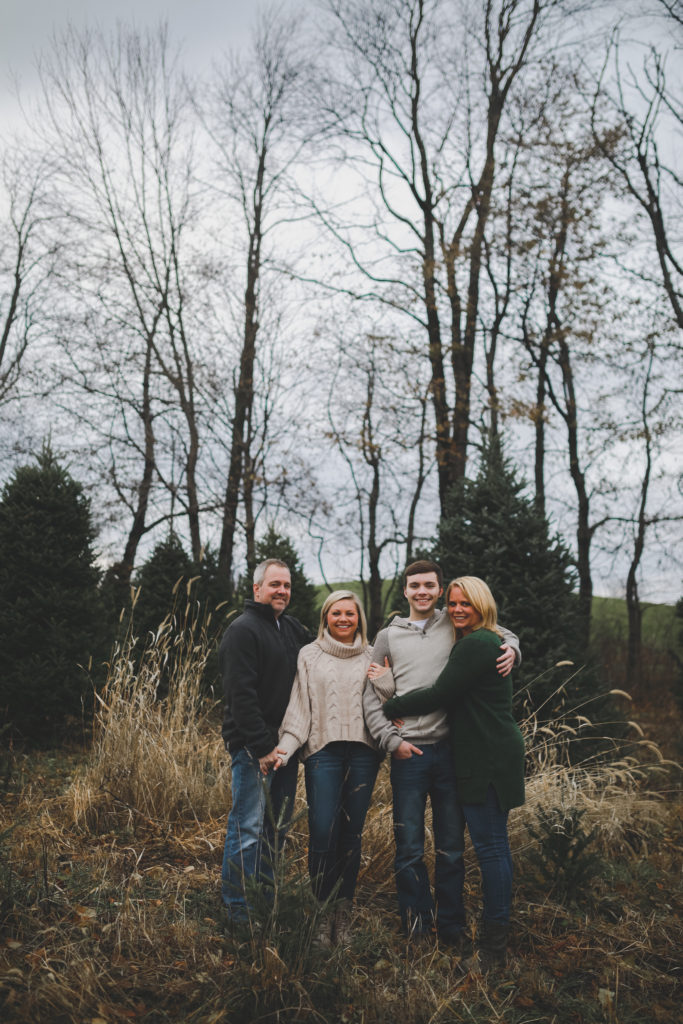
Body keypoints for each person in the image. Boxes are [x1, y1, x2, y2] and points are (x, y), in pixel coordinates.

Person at [362, 560, 520, 947]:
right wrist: (390, 740)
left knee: (451, 848)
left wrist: (514, 648)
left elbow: (500, 632)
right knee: (410, 848)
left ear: (439, 589)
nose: (422, 591)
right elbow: (369, 693)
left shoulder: (455, 622)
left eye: (429, 585)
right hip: (408, 755)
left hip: (453, 753)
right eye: (414, 585)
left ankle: (452, 929)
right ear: (405, 590)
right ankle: (416, 927)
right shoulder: (387, 636)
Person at [263, 590, 393, 946]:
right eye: (336, 613)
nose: (343, 619)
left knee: (351, 837)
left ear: (359, 618)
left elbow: (392, 704)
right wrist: (285, 749)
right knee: (322, 834)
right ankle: (321, 915)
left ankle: (343, 914)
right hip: (323, 754)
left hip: (365, 754)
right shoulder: (309, 655)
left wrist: (383, 681)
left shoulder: (373, 654)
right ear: (326, 617)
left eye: (350, 613)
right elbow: (299, 709)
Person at [220, 557, 309, 921]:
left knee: (276, 829)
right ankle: (238, 909)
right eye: (275, 585)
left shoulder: (291, 628)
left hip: (286, 748)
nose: (282, 591)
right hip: (254, 749)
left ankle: (267, 902)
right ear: (257, 589)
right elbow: (241, 696)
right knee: (248, 828)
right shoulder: (242, 630)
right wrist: (262, 747)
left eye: (286, 586)